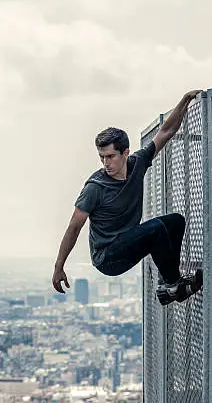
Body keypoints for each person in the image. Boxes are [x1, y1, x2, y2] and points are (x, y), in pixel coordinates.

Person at [52, 89, 204, 305]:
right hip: (107, 257)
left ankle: (167, 285)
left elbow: (166, 132)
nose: (106, 163)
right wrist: (59, 266)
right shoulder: (95, 187)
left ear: (125, 153)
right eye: (102, 157)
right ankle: (174, 286)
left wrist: (184, 101)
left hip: (128, 241)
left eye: (111, 156)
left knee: (175, 221)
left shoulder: (137, 163)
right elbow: (74, 226)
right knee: (155, 230)